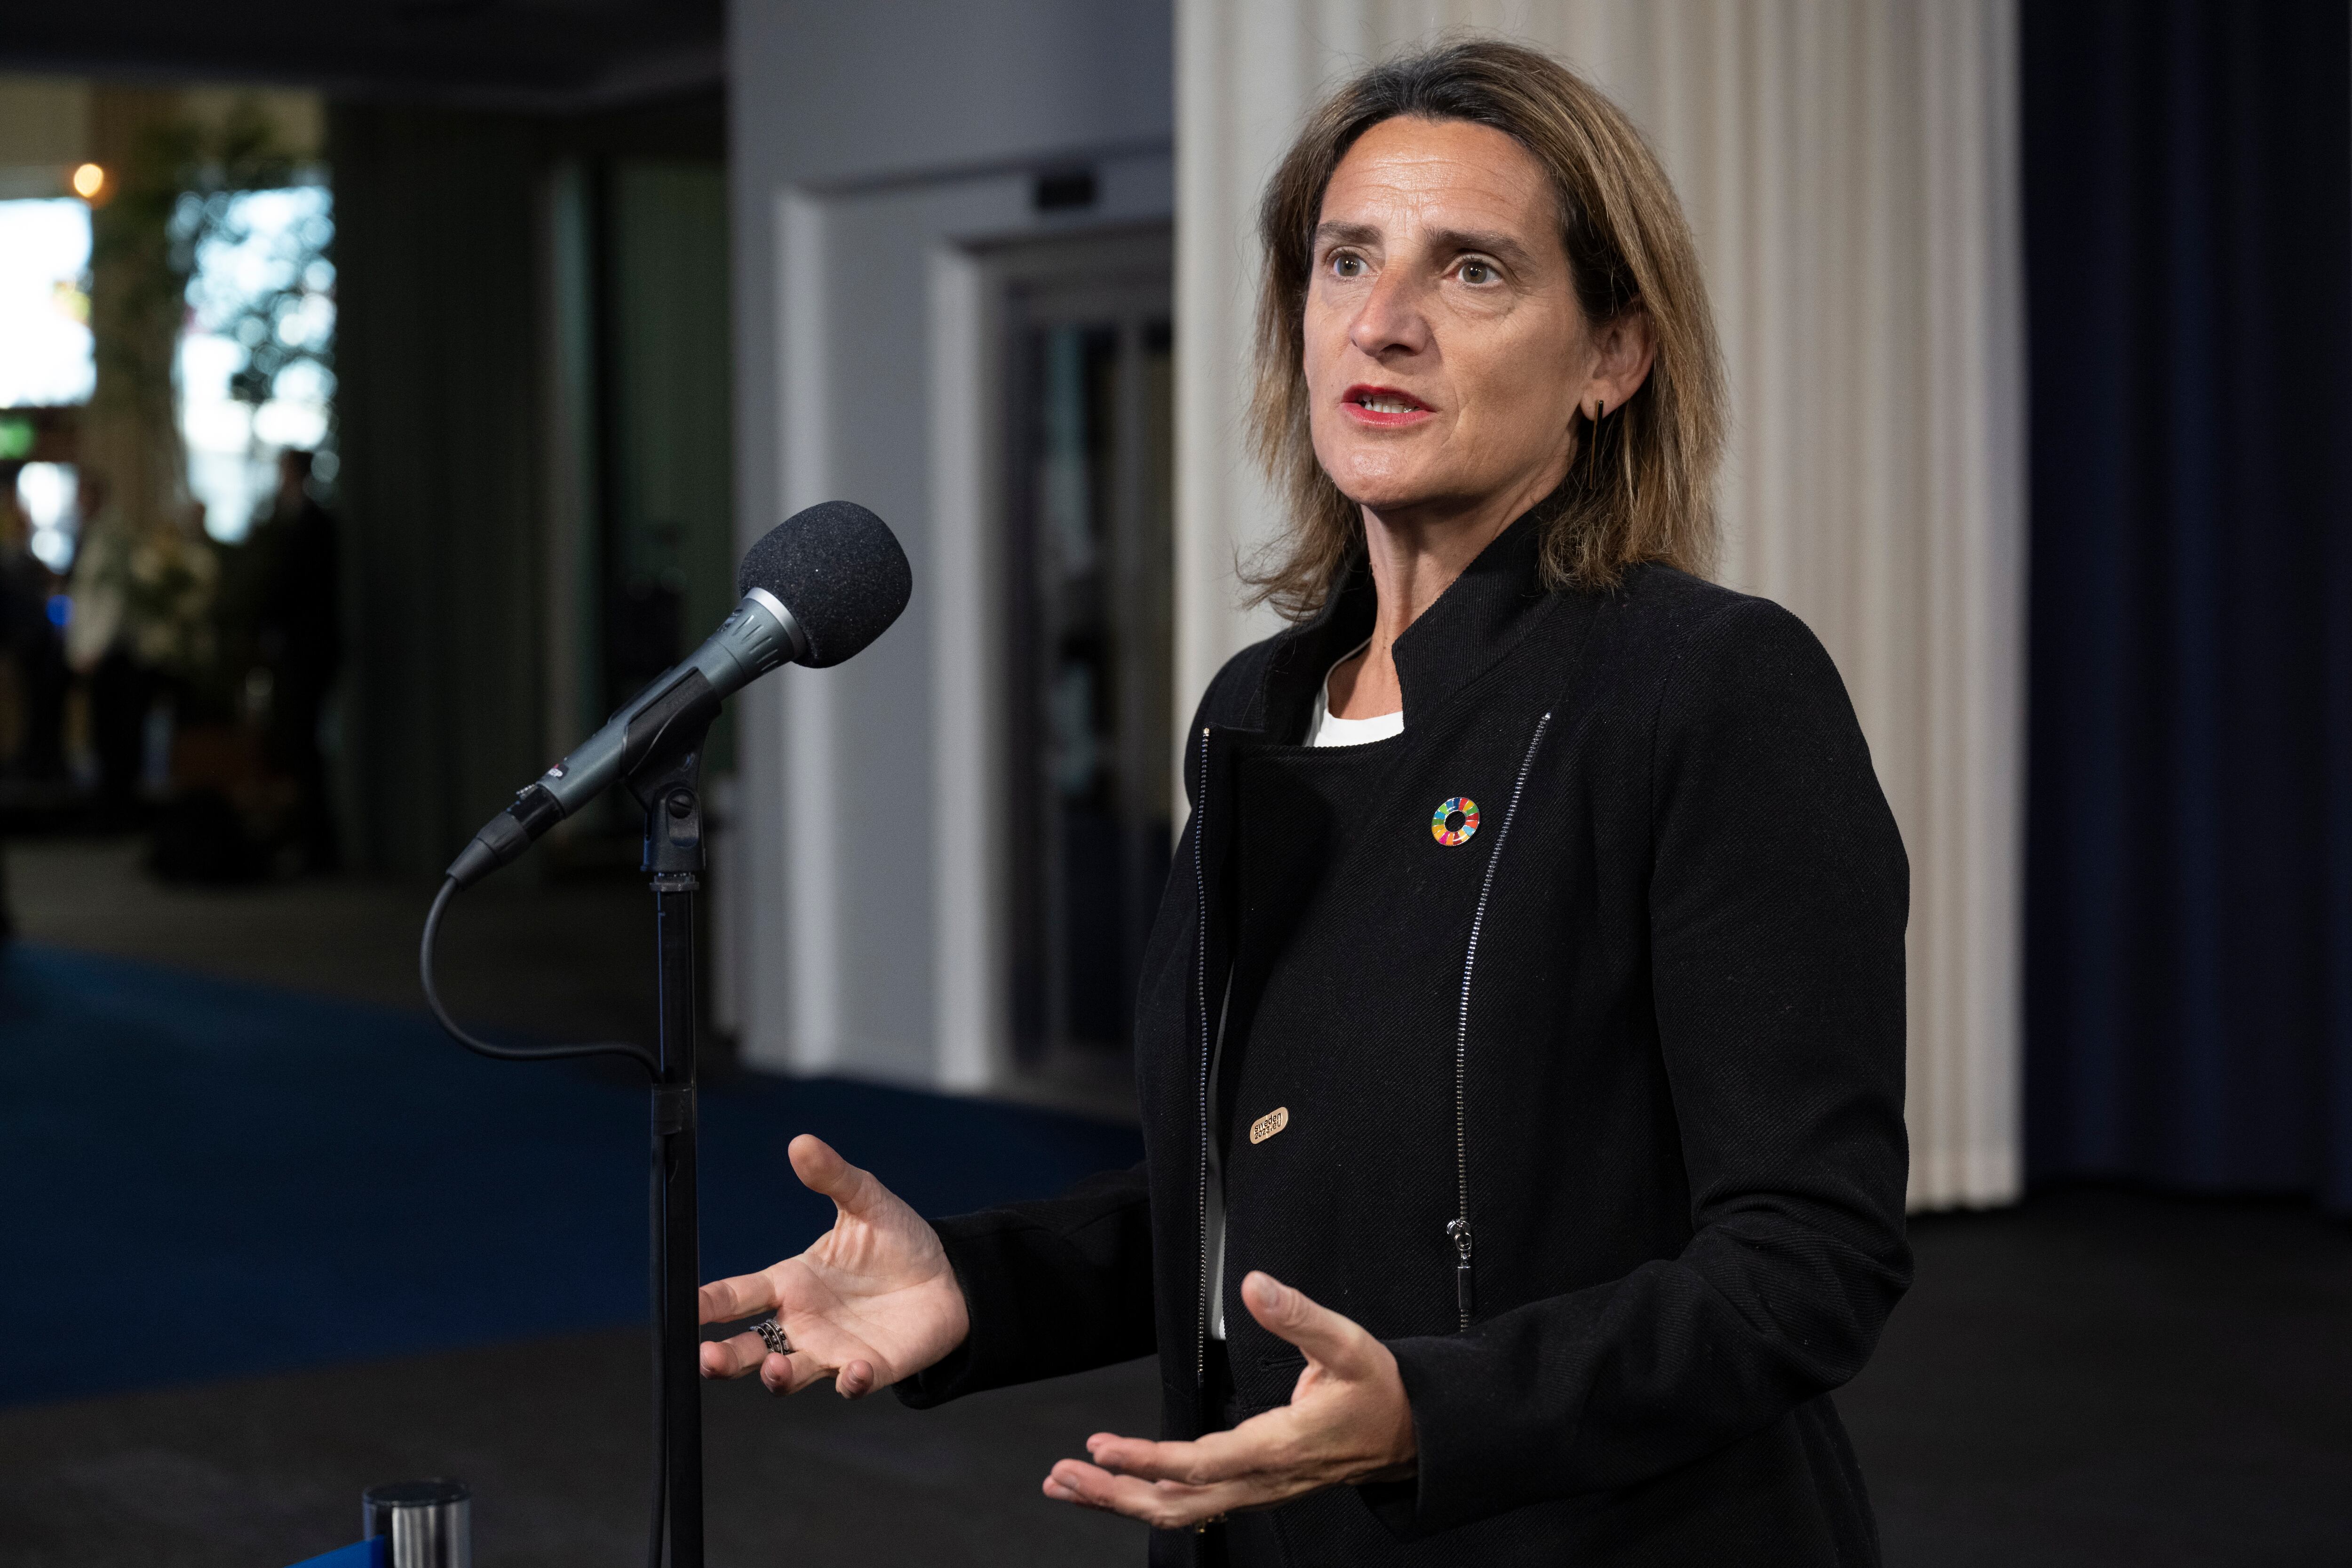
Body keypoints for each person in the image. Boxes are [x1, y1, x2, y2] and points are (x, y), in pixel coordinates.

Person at [698, 40, 1910, 1567]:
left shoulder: (1708, 688)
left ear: (1614, 356)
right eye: (1348, 260)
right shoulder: (1259, 707)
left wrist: (1436, 1410)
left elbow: (1813, 1256)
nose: (1387, 322)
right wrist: (977, 1288)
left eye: (1473, 272)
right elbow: (1265, 1175)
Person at [252, 449, 342, 872]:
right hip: (293, 651)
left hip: (310, 653)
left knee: (306, 747)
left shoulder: (315, 523)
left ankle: (317, 844)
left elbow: (301, 588)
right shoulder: (280, 520)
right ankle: (307, 838)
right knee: (296, 745)